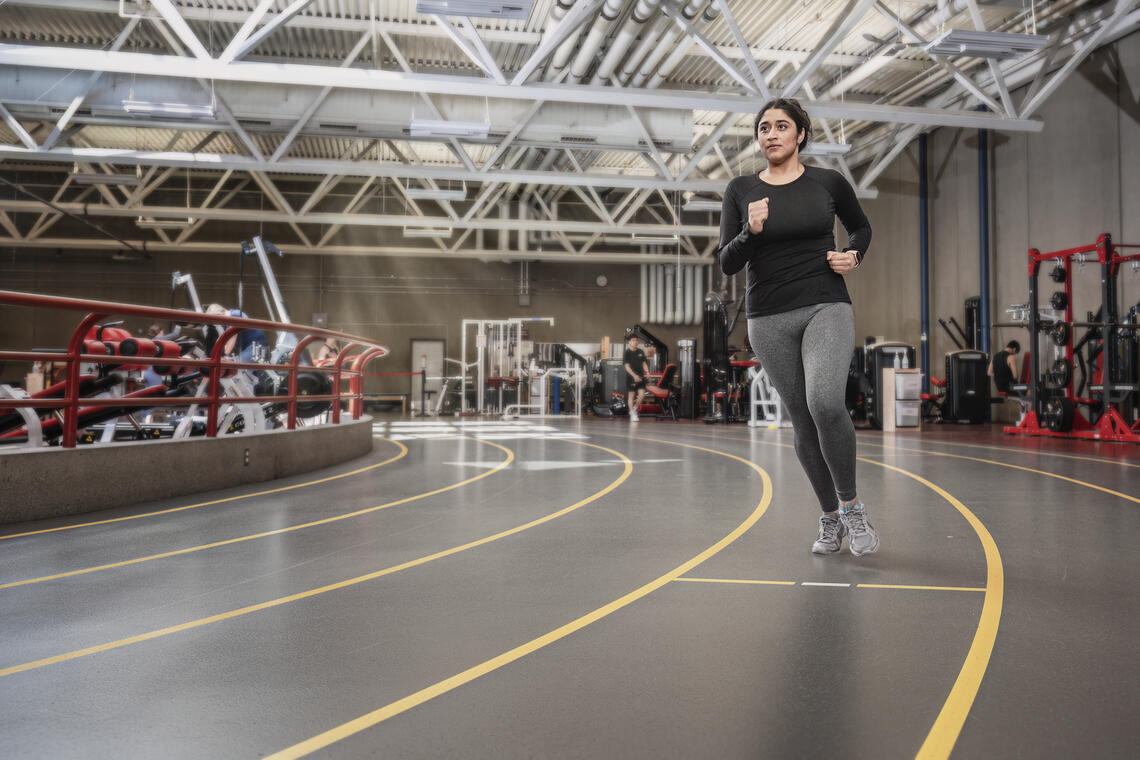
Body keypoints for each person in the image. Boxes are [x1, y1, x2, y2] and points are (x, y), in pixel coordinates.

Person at [717, 98, 877, 557]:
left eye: (781, 126)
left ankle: (852, 508)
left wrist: (854, 255)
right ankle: (829, 517)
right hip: (767, 318)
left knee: (825, 400)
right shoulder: (740, 189)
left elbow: (861, 228)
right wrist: (750, 230)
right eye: (763, 127)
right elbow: (728, 262)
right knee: (802, 421)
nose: (771, 134)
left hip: (825, 304)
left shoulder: (827, 182)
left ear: (800, 134)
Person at [623, 334, 650, 422]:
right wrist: (634, 376)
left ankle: (634, 409)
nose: (635, 342)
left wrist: (647, 372)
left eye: (636, 340)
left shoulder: (640, 351)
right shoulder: (627, 352)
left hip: (641, 376)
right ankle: (632, 414)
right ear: (629, 342)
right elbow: (627, 366)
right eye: (633, 340)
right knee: (631, 396)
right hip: (631, 377)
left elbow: (644, 363)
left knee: (642, 395)